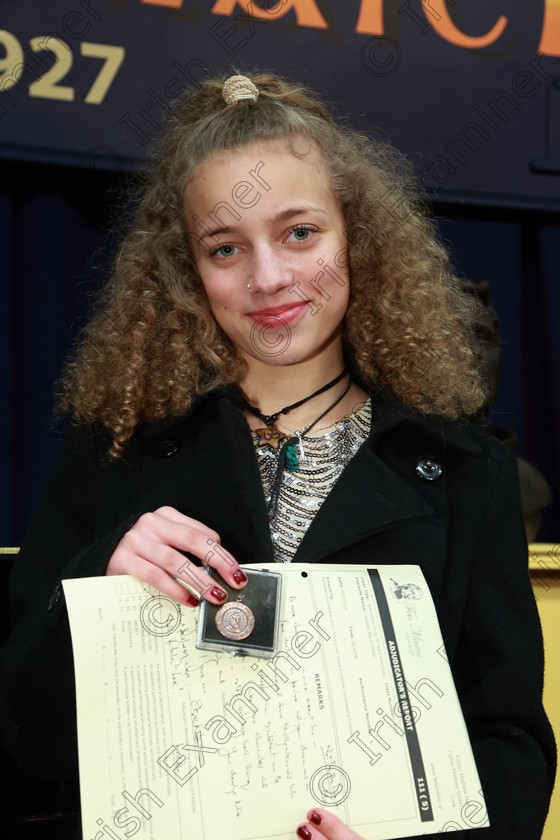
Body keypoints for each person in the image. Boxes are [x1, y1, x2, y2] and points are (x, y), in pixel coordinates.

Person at [0, 71, 555, 840]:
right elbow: (27, 739)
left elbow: (509, 743)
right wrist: (100, 584)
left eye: (300, 233)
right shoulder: (120, 445)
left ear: (356, 236)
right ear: (187, 269)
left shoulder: (466, 472)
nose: (269, 279)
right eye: (225, 247)